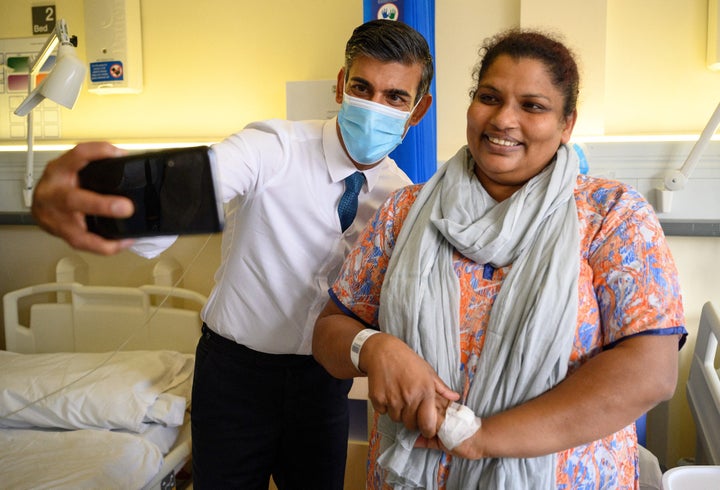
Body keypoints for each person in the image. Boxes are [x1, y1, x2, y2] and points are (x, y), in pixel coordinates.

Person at [30, 19, 434, 489]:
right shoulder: (273, 148)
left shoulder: (401, 199)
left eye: (394, 98)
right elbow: (206, 177)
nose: (373, 107)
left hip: (321, 385)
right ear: (342, 85)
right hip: (234, 376)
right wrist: (106, 197)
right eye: (362, 88)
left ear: (417, 110)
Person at [312, 28, 687, 489]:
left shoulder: (611, 217)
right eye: (490, 97)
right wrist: (374, 348)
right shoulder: (405, 212)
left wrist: (484, 438)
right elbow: (330, 333)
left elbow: (650, 373)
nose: (504, 119)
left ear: (566, 124)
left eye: (533, 106)